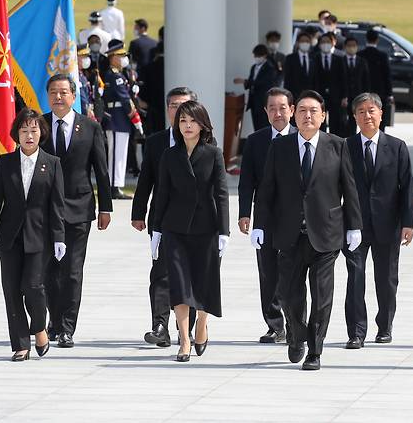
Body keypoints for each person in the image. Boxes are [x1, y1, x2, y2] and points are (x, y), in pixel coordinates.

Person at [252, 90, 363, 370]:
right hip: (289, 235)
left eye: (313, 111)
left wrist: (355, 226)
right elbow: (267, 191)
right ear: (293, 114)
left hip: (326, 235)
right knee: (290, 296)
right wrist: (260, 225)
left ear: (323, 116)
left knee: (321, 296)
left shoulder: (338, 145)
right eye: (302, 110)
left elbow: (350, 189)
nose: (307, 116)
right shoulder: (280, 147)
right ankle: (296, 334)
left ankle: (315, 349)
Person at [0, 109, 65, 361]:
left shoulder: (53, 163)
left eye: (34, 130)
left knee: (33, 286)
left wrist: (59, 236)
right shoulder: (5, 163)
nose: (29, 135)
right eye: (24, 130)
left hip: (40, 236)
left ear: (42, 133)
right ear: (17, 134)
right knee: (11, 289)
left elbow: (57, 205)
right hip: (9, 236)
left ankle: (39, 326)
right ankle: (20, 343)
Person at [151, 100, 230, 362]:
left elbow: (221, 194)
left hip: (207, 229)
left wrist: (224, 231)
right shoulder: (169, 155)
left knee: (204, 282)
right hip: (175, 229)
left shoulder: (213, 153)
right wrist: (156, 230)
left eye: (192, 121)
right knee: (180, 285)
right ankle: (184, 339)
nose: (187, 125)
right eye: (182, 121)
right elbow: (161, 194)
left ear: (202, 124)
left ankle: (202, 325)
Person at [41, 74, 113, 348]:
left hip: (79, 207)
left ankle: (67, 327)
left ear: (74, 96)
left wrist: (105, 206)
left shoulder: (90, 127)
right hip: (45, 209)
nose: (58, 97)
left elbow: (101, 170)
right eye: (53, 92)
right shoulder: (39, 125)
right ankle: (54, 321)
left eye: (63, 92)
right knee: (49, 270)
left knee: (72, 270)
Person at [343, 93, 413, 350]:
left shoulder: (396, 147)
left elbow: (407, 186)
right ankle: (356, 332)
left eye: (371, 110)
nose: (367, 115)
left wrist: (408, 222)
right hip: (354, 225)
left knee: (386, 279)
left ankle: (385, 326)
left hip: (388, 224)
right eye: (361, 111)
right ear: (354, 116)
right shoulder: (345, 146)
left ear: (381, 114)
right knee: (356, 278)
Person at [131, 87, 199, 347]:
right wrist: (138, 212)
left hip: (196, 222)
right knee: (161, 273)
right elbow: (145, 180)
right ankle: (160, 326)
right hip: (162, 219)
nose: (179, 111)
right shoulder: (156, 142)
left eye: (184, 106)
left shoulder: (205, 143)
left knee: (191, 276)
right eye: (173, 106)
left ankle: (187, 329)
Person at [238, 87, 297, 343]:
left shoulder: (304, 137)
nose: (278, 113)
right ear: (265, 111)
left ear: (292, 110)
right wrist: (244, 214)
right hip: (266, 217)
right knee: (268, 272)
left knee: (294, 272)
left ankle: (297, 321)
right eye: (272, 108)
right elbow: (246, 181)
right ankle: (275, 325)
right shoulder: (255, 141)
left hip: (297, 218)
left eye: (282, 108)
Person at [102, 39, 135, 200]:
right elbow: (124, 98)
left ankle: (117, 185)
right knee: (116, 154)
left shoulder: (119, 74)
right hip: (116, 118)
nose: (124, 58)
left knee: (120, 153)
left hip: (120, 118)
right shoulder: (114, 75)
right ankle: (114, 187)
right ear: (113, 57)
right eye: (121, 55)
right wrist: (134, 116)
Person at [234, 44, 278, 132]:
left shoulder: (269, 68)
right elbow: (251, 81)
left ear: (264, 55)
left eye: (258, 55)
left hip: (263, 101)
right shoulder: (254, 67)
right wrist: (246, 83)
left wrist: (245, 81)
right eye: (255, 55)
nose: (256, 58)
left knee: (264, 125)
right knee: (256, 125)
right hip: (254, 101)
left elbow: (262, 83)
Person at [357, 29, 393, 131]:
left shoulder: (360, 55)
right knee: (380, 119)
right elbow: (387, 76)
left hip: (363, 93)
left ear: (366, 39)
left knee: (364, 118)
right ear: (377, 40)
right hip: (380, 93)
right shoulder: (382, 56)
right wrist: (389, 94)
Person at [315, 33, 347, 137]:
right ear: (319, 44)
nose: (325, 44)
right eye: (323, 42)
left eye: (328, 42)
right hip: (319, 95)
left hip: (335, 95)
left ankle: (334, 141)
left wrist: (344, 96)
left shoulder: (338, 59)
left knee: (335, 121)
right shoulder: (315, 58)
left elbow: (343, 79)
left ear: (332, 43)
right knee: (320, 120)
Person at [343, 37, 370, 134]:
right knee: (343, 121)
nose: (351, 48)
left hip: (357, 96)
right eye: (349, 46)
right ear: (345, 47)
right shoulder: (340, 61)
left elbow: (366, 81)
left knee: (355, 119)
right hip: (344, 98)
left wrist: (366, 97)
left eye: (353, 46)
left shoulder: (362, 62)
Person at [283, 32, 317, 102]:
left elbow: (316, 79)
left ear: (310, 43)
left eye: (307, 41)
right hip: (294, 96)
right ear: (298, 43)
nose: (305, 43)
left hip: (311, 96)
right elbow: (287, 79)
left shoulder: (314, 58)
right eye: (302, 41)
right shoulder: (290, 58)